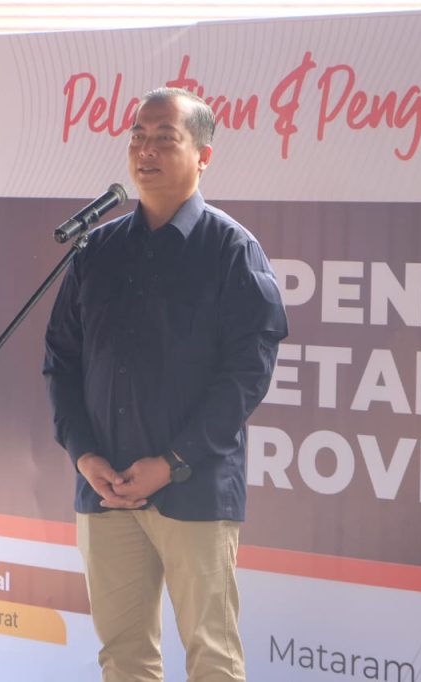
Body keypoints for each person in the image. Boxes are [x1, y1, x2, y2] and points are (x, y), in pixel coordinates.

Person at [44, 87, 288, 681]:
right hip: (105, 490)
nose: (145, 150)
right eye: (137, 137)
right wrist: (84, 456)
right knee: (123, 657)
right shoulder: (95, 249)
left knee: (212, 656)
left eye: (164, 138)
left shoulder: (231, 250)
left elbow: (247, 375)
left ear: (203, 157)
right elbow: (61, 361)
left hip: (194, 489)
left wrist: (172, 462)